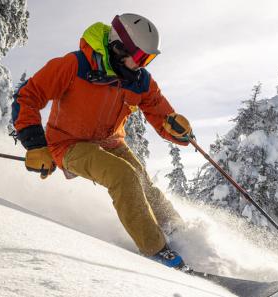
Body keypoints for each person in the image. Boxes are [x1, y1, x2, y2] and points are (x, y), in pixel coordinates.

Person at [11, 13, 192, 269]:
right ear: (118, 48)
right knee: (124, 175)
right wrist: (35, 144)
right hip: (68, 143)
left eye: (148, 59)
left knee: (142, 179)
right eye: (140, 57)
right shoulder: (75, 65)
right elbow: (28, 96)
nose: (142, 66)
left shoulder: (139, 80)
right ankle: (156, 251)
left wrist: (178, 130)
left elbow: (158, 111)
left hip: (110, 140)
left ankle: (179, 233)